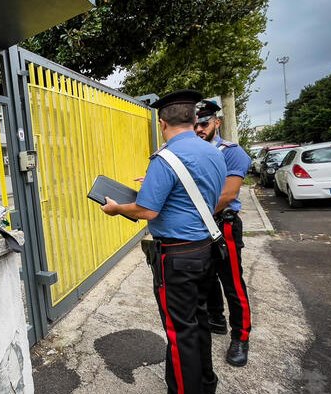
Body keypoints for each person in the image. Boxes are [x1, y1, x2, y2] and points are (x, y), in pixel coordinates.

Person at [101, 90, 227, 394]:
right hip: (205, 248)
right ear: (195, 119)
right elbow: (201, 191)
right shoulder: (214, 152)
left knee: (179, 332)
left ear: (162, 122)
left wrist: (117, 208)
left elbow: (147, 209)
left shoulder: (166, 157)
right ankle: (206, 382)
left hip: (177, 257)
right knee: (198, 322)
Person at [195, 100, 253, 367]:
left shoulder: (231, 152)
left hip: (222, 224)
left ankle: (240, 338)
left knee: (232, 282)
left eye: (204, 123)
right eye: (194, 124)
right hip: (199, 225)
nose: (199, 129)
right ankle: (216, 320)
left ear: (216, 122)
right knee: (205, 277)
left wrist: (199, 216)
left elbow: (228, 195)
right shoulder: (191, 152)